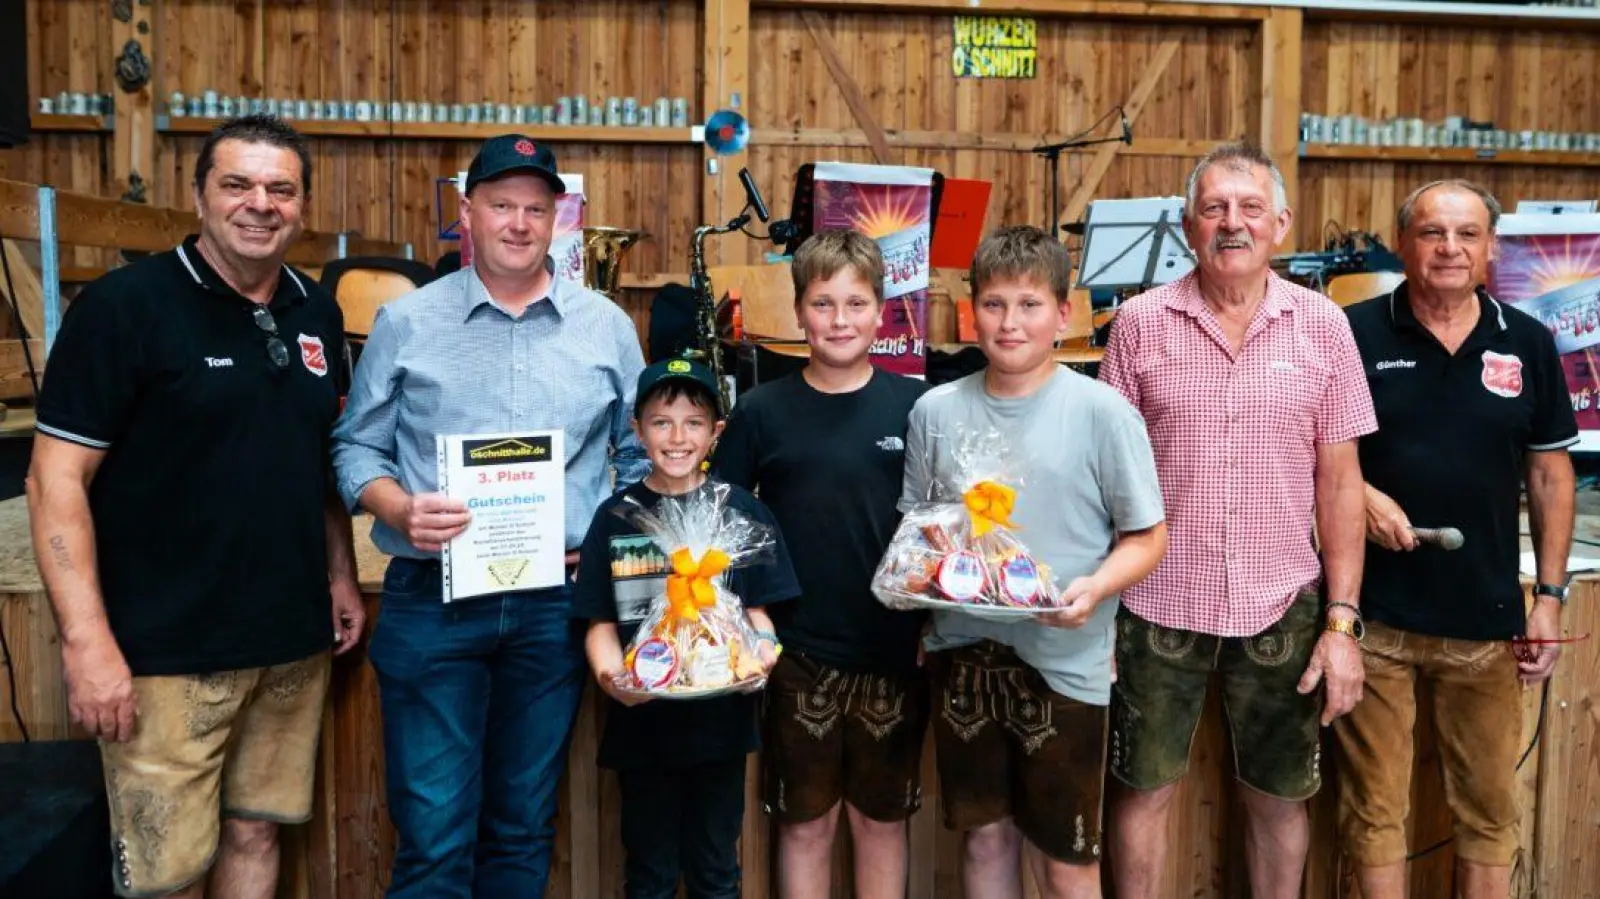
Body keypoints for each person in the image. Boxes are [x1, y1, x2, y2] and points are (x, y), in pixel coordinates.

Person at [27, 114, 364, 899]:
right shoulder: (123, 308)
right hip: (164, 653)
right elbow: (55, 482)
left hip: (288, 640)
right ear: (199, 194)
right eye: (237, 184)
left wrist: (339, 570)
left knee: (255, 829)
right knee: (168, 870)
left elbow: (315, 459)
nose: (260, 204)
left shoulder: (316, 311)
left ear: (302, 205)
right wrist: (86, 643)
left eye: (280, 189)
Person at [331, 134, 649, 898]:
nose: (518, 222)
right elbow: (353, 448)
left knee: (521, 826)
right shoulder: (406, 322)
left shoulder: (606, 326)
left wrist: (603, 539)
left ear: (557, 219)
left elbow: (640, 460)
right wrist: (399, 508)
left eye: (535, 208)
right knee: (435, 834)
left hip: (553, 608)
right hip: (432, 598)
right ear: (466, 212)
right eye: (501, 204)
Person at [1098, 142, 1376, 899]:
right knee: (1141, 789)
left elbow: (1341, 482)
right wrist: (1098, 611)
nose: (1233, 223)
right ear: (1188, 225)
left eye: (1250, 208)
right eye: (1215, 208)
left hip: (1284, 600)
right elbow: (1106, 479)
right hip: (1156, 599)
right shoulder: (1138, 324)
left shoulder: (1324, 326)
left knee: (1279, 798)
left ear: (1281, 224)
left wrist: (1343, 622)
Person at [907, 225, 1168, 898]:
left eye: (1029, 304)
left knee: (1065, 855)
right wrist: (927, 576)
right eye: (994, 304)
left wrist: (1092, 589)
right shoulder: (935, 410)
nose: (1009, 322)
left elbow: (1147, 535)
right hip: (963, 651)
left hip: (1066, 659)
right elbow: (922, 525)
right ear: (970, 313)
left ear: (1064, 313)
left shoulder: (1104, 413)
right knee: (985, 837)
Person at [1336, 180, 1577, 899]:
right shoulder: (1351, 332)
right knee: (1373, 812)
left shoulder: (1528, 341)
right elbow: (1314, 449)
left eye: (1467, 234)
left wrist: (1552, 597)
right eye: (1433, 232)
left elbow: (1551, 477)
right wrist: (1364, 496)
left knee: (1489, 815)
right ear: (1403, 242)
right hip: (1372, 617)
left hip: (1486, 622)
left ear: (1491, 249)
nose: (1449, 248)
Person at [713, 228, 931, 899]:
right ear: (800, 309)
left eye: (856, 303)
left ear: (882, 310)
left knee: (880, 824)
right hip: (793, 650)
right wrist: (750, 625)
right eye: (823, 303)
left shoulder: (917, 404)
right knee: (805, 825)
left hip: (894, 647)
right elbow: (722, 528)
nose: (840, 319)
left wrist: (931, 623)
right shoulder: (759, 411)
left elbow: (938, 526)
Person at [574, 357, 797, 899]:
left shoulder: (740, 512)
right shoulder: (615, 517)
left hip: (720, 724)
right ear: (636, 428)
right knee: (648, 872)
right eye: (660, 421)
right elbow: (599, 621)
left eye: (694, 422)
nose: (677, 437)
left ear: (716, 432)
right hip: (641, 727)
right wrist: (611, 679)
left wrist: (763, 651)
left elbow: (759, 613)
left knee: (716, 869)